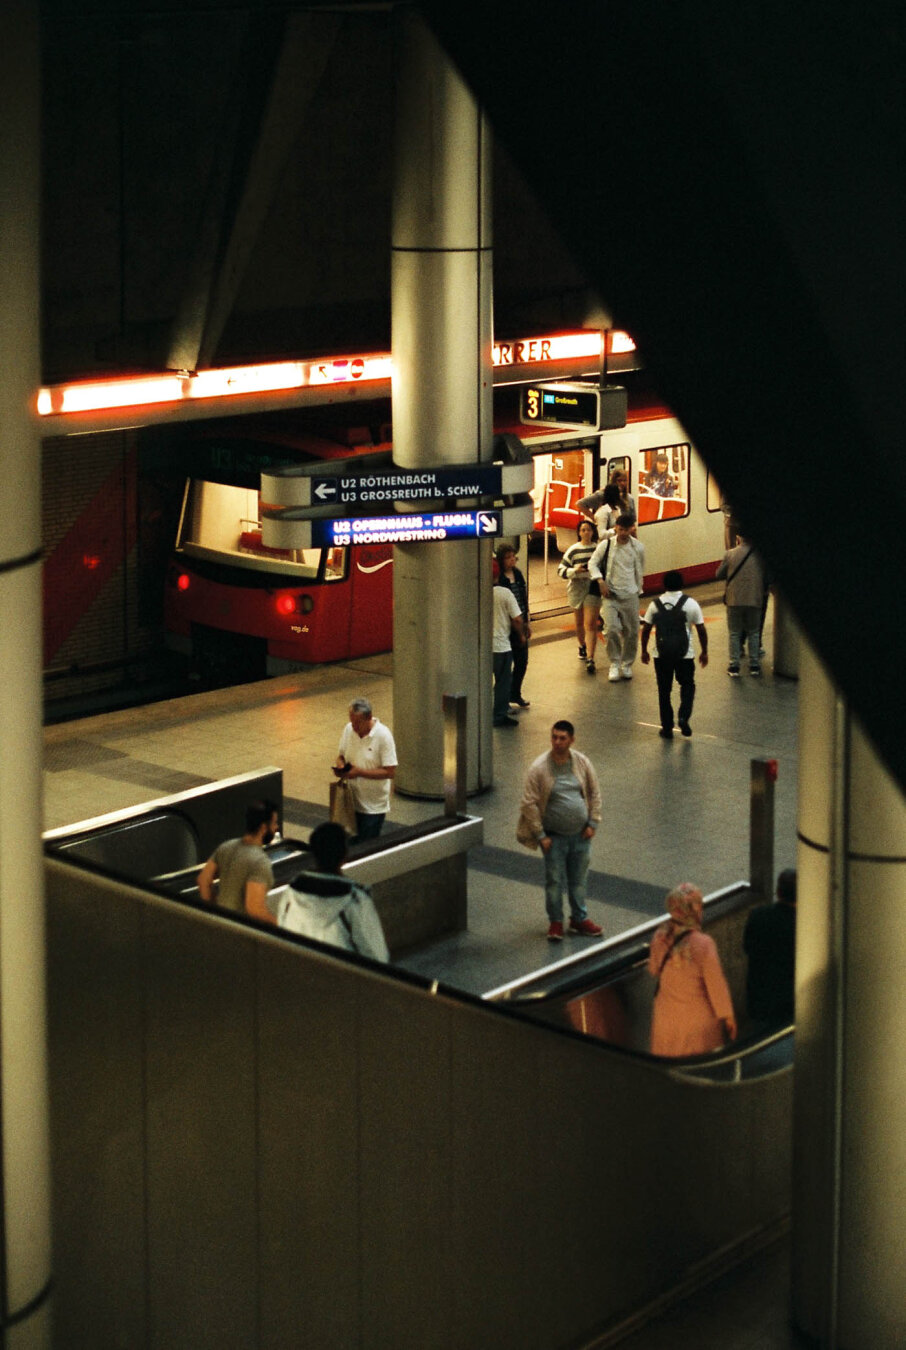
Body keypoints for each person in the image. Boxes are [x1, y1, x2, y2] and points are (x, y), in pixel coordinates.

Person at [516, 720, 603, 941]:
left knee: (578, 880)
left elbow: (594, 792)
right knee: (554, 882)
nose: (557, 742)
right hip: (553, 839)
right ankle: (556, 921)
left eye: (562, 738)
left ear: (572, 740)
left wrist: (593, 823)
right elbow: (529, 803)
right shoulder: (539, 768)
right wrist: (540, 836)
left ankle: (578, 918)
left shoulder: (582, 763)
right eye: (554, 737)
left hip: (580, 835)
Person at [277, 821, 389, 962]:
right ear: (344, 856)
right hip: (340, 978)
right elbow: (377, 956)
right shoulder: (355, 901)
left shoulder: (290, 893)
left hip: (300, 975)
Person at [648, 883, 737, 1056]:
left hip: (667, 1018)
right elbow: (716, 985)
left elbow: (653, 969)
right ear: (695, 909)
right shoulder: (703, 944)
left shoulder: (660, 935)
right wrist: (728, 1016)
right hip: (697, 1022)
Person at [640, 568, 708, 738]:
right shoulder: (691, 603)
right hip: (685, 655)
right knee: (687, 685)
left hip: (661, 655)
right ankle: (684, 716)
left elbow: (646, 629)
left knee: (664, 691)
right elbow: (701, 630)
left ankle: (667, 727)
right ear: (681, 584)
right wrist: (704, 651)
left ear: (664, 585)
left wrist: (644, 651)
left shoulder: (654, 604)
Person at [197, 798, 279, 924]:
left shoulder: (226, 847)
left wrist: (213, 910)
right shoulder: (260, 862)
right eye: (274, 823)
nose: (276, 828)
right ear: (263, 828)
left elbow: (203, 880)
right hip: (241, 932)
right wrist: (281, 926)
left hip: (220, 924)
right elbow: (254, 909)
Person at [588, 513, 645, 681]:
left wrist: (637, 590)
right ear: (616, 528)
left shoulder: (638, 548)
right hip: (610, 594)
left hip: (630, 594)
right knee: (611, 629)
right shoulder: (605, 545)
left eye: (626, 530)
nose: (623, 533)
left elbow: (640, 569)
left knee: (632, 631)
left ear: (631, 529)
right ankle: (614, 662)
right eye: (620, 529)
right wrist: (600, 580)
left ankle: (627, 664)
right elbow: (593, 563)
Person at [334, 697, 398, 840]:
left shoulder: (383, 736)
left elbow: (390, 772)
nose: (354, 727)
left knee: (366, 846)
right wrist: (341, 766)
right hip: (351, 802)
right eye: (352, 722)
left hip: (373, 807)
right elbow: (340, 756)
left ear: (369, 717)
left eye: (358, 723)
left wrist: (359, 772)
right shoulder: (349, 729)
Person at [743, 868, 797, 1027]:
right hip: (789, 999)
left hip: (759, 994)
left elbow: (747, 947)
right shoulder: (805, 924)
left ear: (778, 891)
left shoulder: (758, 915)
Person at [557, 519, 608, 672]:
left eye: (589, 530)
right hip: (576, 588)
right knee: (579, 622)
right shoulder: (573, 550)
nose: (586, 533)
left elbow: (605, 567)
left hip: (592, 587)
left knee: (590, 623)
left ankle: (591, 658)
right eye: (583, 530)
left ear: (593, 532)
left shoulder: (598, 549)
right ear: (579, 533)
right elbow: (561, 570)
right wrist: (574, 571)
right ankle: (582, 646)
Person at [715, 533, 767, 676]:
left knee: (734, 633)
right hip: (754, 599)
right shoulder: (761, 555)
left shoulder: (730, 554)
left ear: (738, 538)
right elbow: (768, 576)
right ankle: (754, 666)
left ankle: (734, 666)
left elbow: (718, 574)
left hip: (734, 600)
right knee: (754, 632)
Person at [495, 542, 531, 708]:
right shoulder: (500, 580)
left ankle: (515, 693)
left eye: (513, 557)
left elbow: (523, 597)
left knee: (522, 661)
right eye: (507, 558)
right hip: (508, 625)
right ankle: (504, 696)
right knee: (506, 665)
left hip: (520, 618)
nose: (511, 561)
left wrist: (527, 620)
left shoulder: (518, 574)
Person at [492, 576, 524, 727]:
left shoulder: (474, 591)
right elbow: (517, 619)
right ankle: (499, 715)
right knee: (502, 682)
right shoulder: (504, 593)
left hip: (481, 646)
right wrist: (521, 634)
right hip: (500, 645)